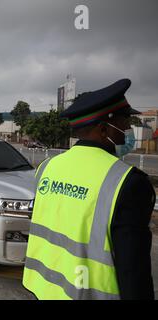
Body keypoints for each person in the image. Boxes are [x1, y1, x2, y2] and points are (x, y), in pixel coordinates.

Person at [23, 79, 155, 300]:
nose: (127, 132)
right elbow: (133, 269)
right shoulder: (128, 182)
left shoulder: (47, 167)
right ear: (104, 129)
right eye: (124, 125)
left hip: (42, 289)